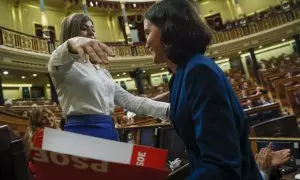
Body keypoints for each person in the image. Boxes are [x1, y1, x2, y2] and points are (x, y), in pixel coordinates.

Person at [144, 0, 262, 179]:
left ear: (169, 29)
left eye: (147, 32)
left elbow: (221, 164)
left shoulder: (199, 71)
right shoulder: (180, 76)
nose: (146, 43)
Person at [48, 13, 169, 141]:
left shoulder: (102, 72)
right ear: (70, 32)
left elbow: (131, 101)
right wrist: (73, 42)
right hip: (81, 134)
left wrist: (169, 110)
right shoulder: (63, 67)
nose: (91, 33)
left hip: (108, 131)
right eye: (84, 28)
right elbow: (56, 60)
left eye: (93, 29)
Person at [23, 107, 58, 178]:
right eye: (43, 118)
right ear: (37, 122)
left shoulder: (46, 132)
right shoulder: (41, 133)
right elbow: (41, 161)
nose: (49, 119)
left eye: (49, 115)